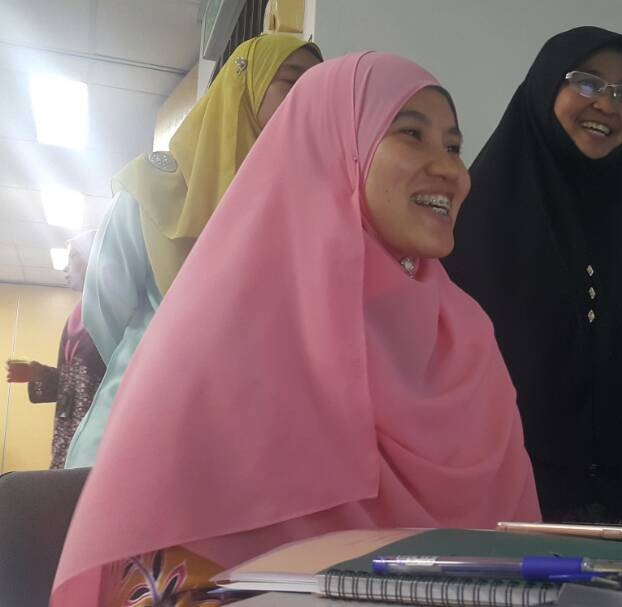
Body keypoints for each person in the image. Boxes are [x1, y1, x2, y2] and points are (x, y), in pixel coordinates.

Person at [50, 52, 540, 607]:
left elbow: (518, 553)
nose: (452, 171)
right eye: (411, 134)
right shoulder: (221, 341)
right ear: (334, 148)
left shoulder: (467, 338)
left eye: (453, 147)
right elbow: (157, 582)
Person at [443, 26, 622, 524]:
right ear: (545, 86)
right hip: (505, 504)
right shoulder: (478, 217)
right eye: (588, 82)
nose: (607, 104)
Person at [64, 34, 322, 468]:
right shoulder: (153, 188)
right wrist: (167, 358)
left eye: (318, 89)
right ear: (246, 86)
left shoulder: (313, 208)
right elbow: (104, 313)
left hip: (243, 447)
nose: (307, 99)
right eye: (292, 82)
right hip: (140, 427)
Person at [4, 231, 105, 469]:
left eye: (74, 256)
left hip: (96, 444)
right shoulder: (77, 317)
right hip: (67, 435)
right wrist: (39, 374)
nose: (66, 267)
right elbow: (74, 383)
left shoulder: (111, 315)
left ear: (96, 258)